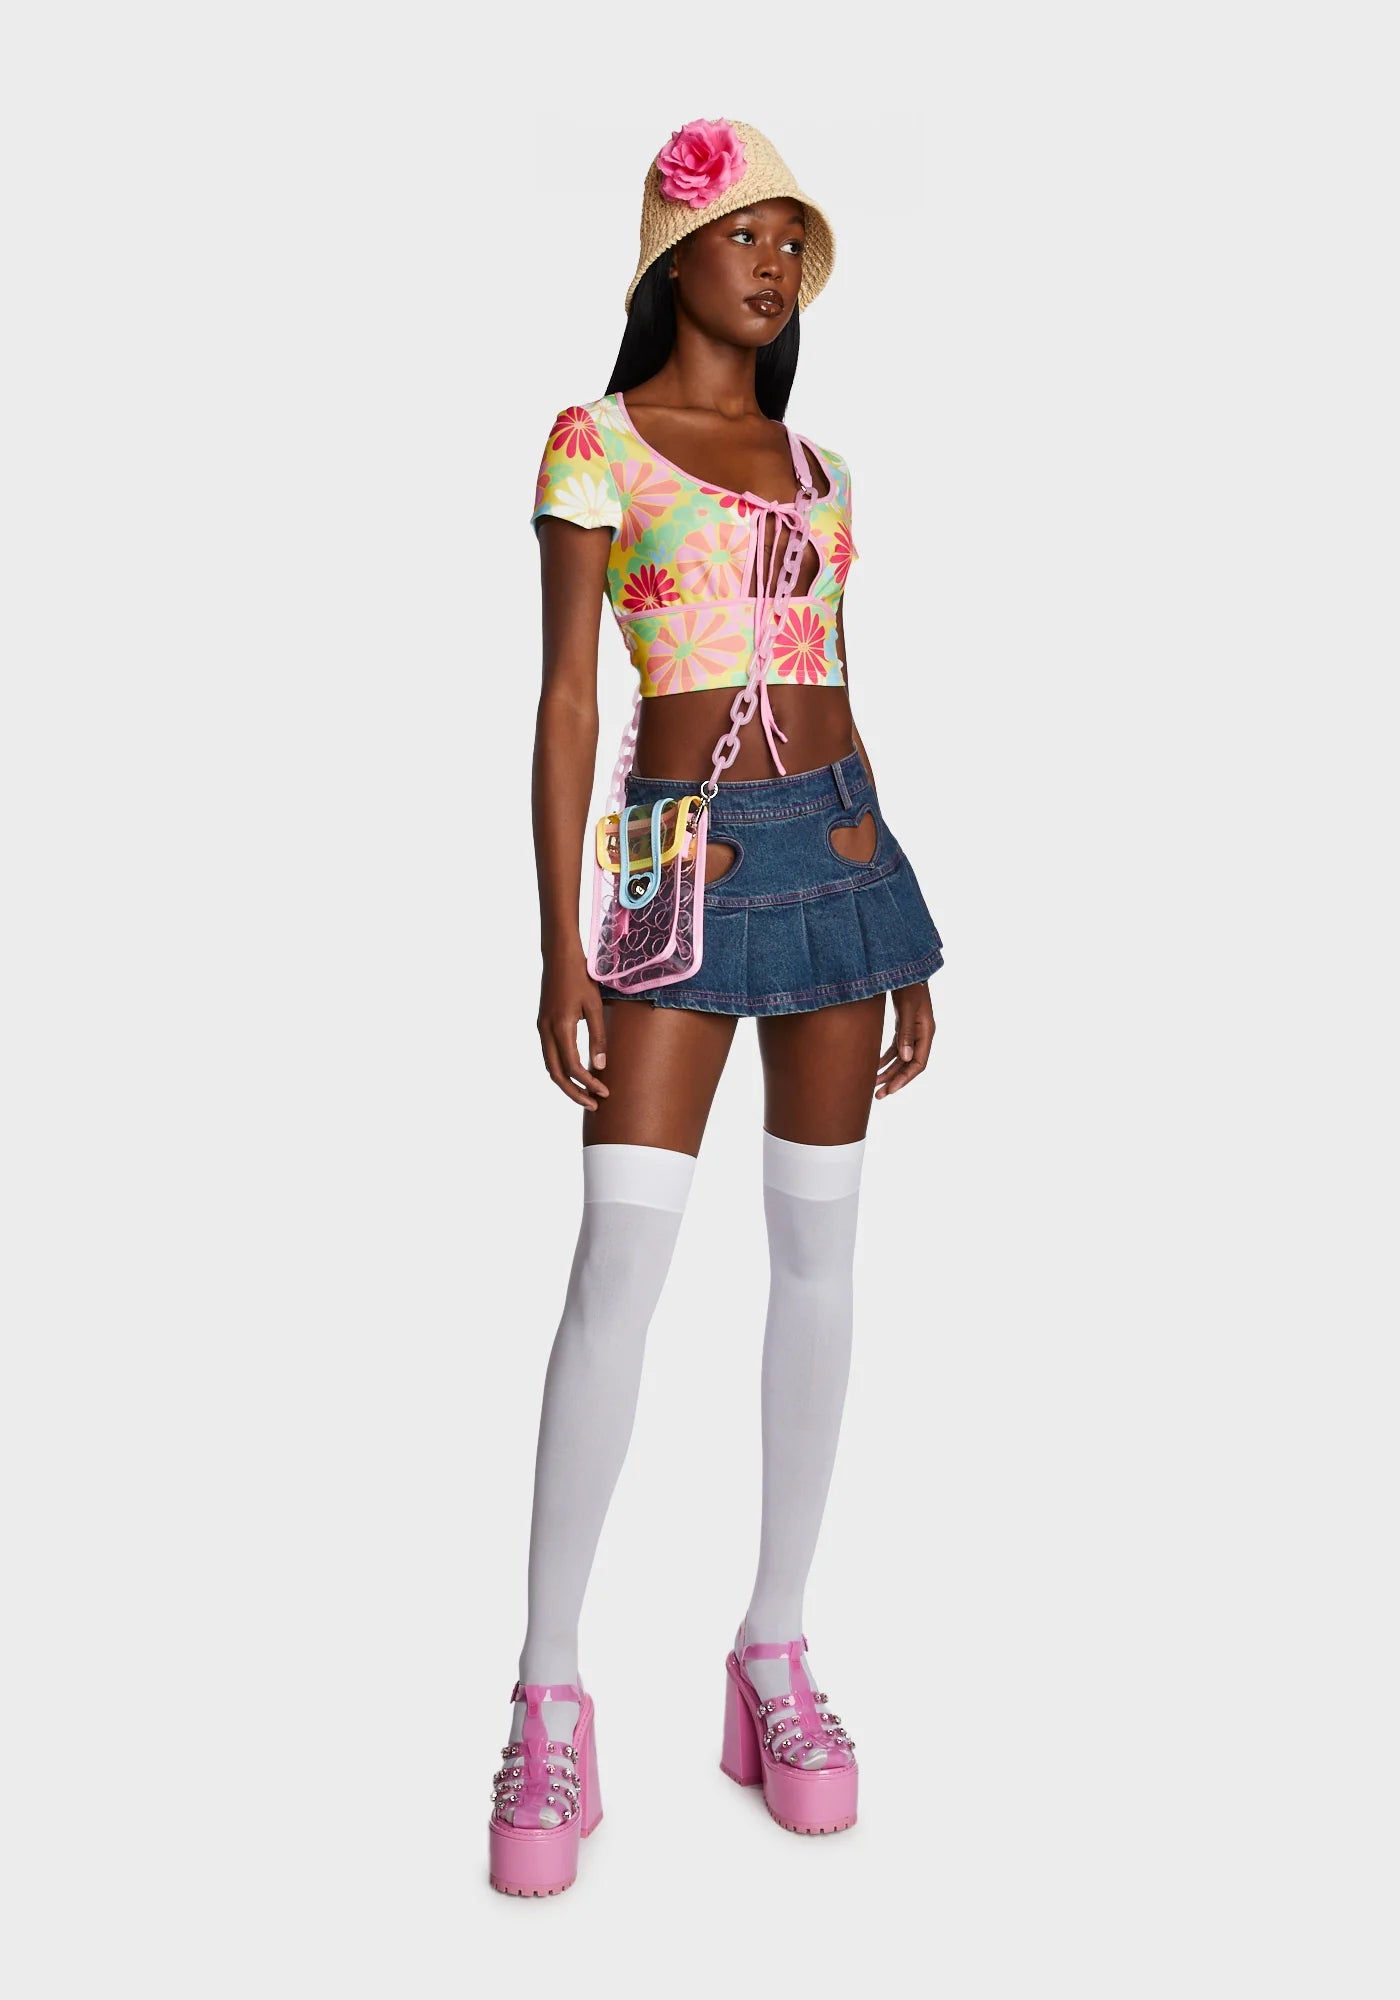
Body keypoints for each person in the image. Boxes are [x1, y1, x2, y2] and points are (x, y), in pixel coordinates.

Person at [489, 118, 946, 1897]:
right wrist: (560, 947)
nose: (770, 267)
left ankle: (776, 1648)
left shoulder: (823, 465)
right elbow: (565, 704)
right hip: (671, 869)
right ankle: (547, 1689)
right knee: (621, 1258)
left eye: (790, 245)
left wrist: (900, 927)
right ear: (667, 260)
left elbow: (838, 682)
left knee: (821, 1253)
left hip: (840, 854)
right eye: (741, 235)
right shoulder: (594, 444)